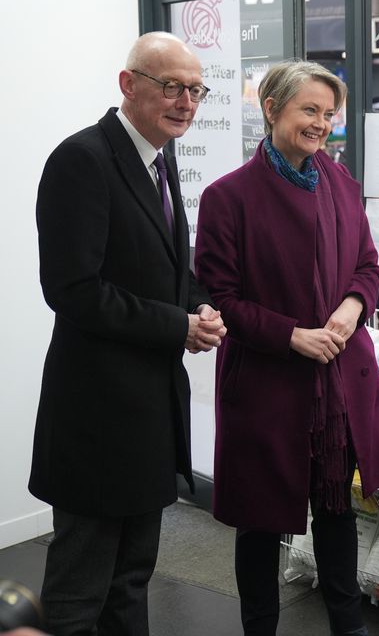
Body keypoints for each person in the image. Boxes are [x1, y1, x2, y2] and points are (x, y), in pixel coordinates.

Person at [30, 31, 226, 636]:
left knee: (132, 578)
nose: (186, 102)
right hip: (96, 416)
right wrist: (178, 325)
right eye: (172, 87)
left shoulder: (159, 159)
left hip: (148, 414)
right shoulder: (82, 159)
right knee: (78, 592)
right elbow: (73, 290)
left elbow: (166, 267)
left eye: (196, 90)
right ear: (128, 84)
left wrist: (201, 307)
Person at [195, 60, 379, 636]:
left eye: (328, 114)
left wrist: (352, 307)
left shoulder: (341, 183)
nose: (321, 124)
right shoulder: (227, 196)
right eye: (309, 110)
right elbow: (224, 298)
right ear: (271, 109)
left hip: (334, 383)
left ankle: (347, 626)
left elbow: (367, 264)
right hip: (266, 388)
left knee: (336, 513)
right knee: (258, 526)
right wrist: (292, 335)